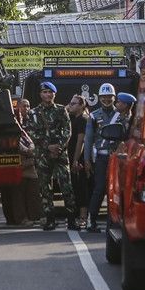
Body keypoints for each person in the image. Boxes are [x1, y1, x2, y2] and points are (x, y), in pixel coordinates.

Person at [31, 82, 78, 231]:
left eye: (50, 92)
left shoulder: (61, 110)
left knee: (66, 186)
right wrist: (48, 146)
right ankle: (50, 220)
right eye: (44, 92)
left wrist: (59, 147)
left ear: (54, 94)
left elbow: (67, 130)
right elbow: (32, 133)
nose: (47, 95)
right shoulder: (34, 113)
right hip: (43, 155)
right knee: (45, 188)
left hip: (60, 154)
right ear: (40, 94)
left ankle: (72, 220)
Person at [82, 82, 117, 233]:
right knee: (100, 188)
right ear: (99, 98)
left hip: (117, 158)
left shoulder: (121, 115)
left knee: (115, 190)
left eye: (109, 96)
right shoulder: (94, 116)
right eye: (103, 97)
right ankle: (91, 221)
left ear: (114, 97)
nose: (106, 99)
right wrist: (87, 160)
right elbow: (88, 139)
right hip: (101, 158)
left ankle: (113, 221)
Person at [65, 94, 91, 229]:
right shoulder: (72, 118)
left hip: (78, 157)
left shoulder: (83, 119)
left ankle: (83, 216)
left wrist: (75, 160)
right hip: (70, 155)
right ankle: (75, 215)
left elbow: (81, 141)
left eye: (74, 103)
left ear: (82, 106)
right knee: (74, 186)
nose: (70, 105)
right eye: (70, 103)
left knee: (81, 186)